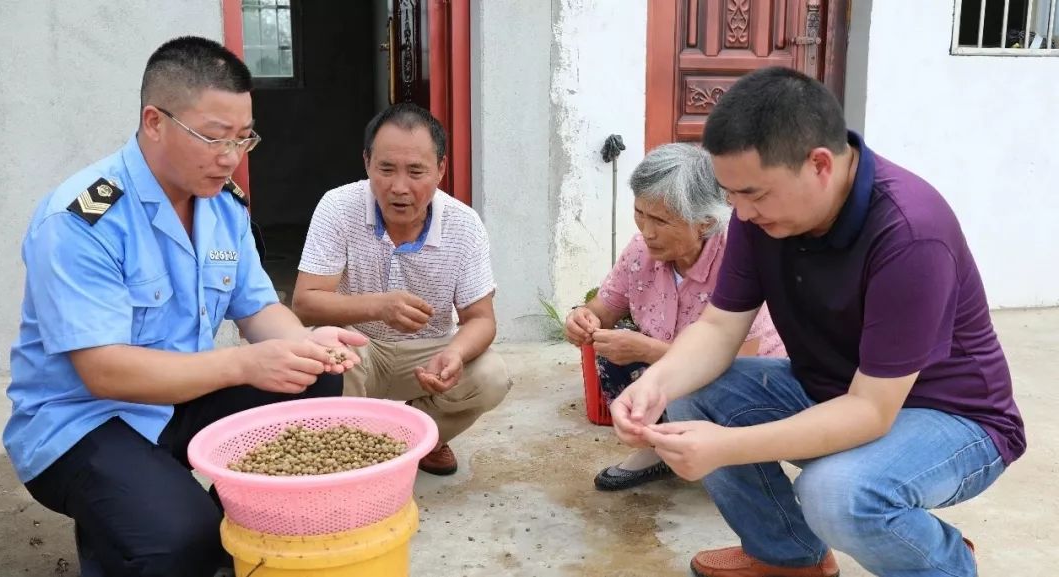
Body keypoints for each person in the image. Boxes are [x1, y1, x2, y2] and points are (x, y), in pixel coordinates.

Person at [612, 66, 1025, 577]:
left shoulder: (910, 231)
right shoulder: (758, 215)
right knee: (693, 390)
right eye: (731, 194)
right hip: (835, 392)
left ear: (820, 165)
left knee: (835, 494)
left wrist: (724, 447)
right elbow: (719, 329)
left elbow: (871, 412)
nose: (739, 213)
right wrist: (652, 385)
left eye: (754, 194)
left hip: (953, 419)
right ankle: (788, 558)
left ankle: (943, 564)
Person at [2, 37, 367, 577]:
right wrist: (244, 363)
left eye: (244, 139)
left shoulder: (224, 205)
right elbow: (103, 371)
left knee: (311, 380)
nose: (230, 158)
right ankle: (143, 526)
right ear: (155, 122)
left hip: (179, 397)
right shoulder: (82, 219)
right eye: (213, 138)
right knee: (181, 539)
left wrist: (307, 345)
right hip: (82, 420)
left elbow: (259, 306)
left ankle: (171, 515)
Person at [292, 103, 510, 476]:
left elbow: (481, 319)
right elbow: (304, 303)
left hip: (428, 354)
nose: (399, 187)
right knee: (325, 361)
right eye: (386, 169)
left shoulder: (464, 225)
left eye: (416, 172)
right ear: (367, 163)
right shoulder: (338, 207)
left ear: (441, 169)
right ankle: (354, 449)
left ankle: (423, 437)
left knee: (491, 375)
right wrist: (378, 307)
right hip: (361, 348)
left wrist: (455, 353)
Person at [564, 143, 784, 491]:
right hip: (679, 366)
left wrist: (648, 350)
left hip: (750, 381)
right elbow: (603, 310)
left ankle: (737, 464)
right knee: (616, 355)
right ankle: (660, 450)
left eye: (662, 220)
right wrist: (582, 318)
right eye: (640, 213)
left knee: (694, 382)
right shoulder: (642, 251)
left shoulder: (737, 260)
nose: (647, 231)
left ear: (705, 222)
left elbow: (743, 360)